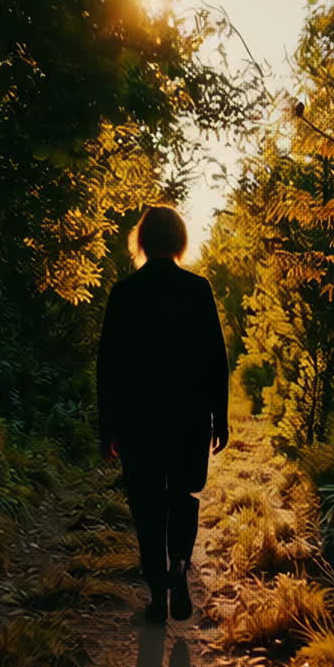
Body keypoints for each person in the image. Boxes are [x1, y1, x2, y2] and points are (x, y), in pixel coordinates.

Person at [96, 205, 229, 623]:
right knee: (183, 495)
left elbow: (108, 365)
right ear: (179, 241)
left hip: (138, 419)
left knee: (147, 504)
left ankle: (157, 594)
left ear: (142, 240)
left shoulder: (124, 292)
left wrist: (108, 426)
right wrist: (220, 416)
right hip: (190, 415)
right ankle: (180, 565)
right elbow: (215, 358)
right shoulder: (198, 288)